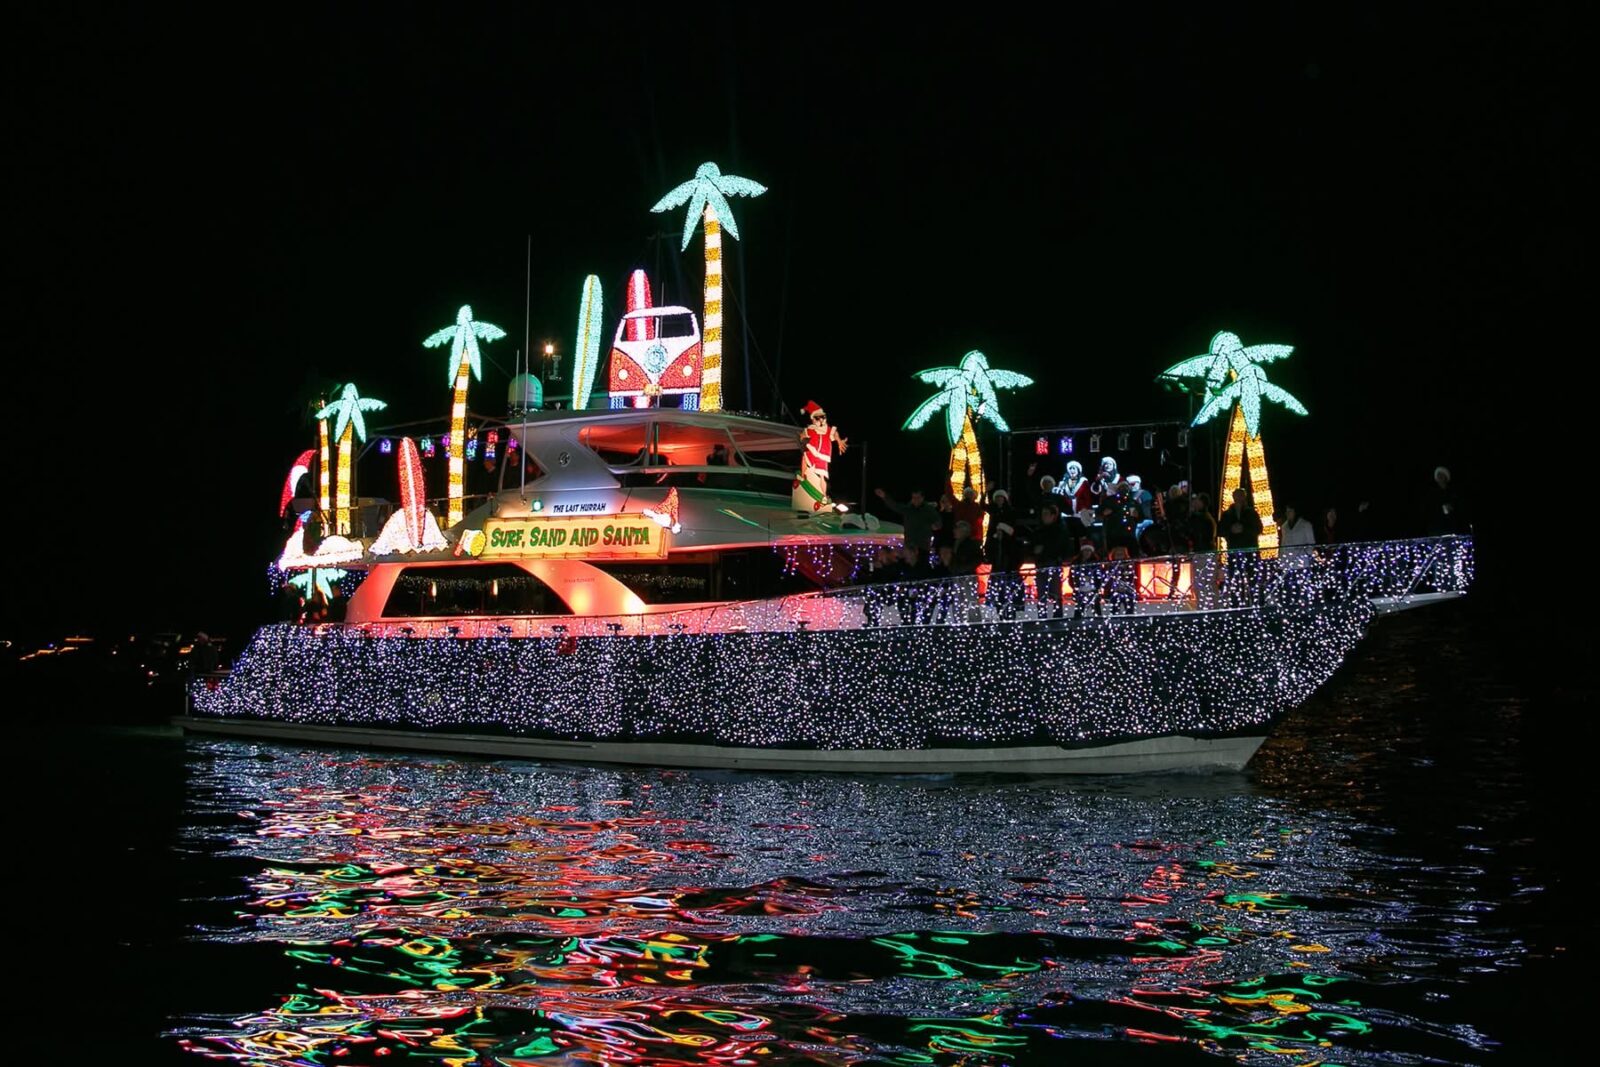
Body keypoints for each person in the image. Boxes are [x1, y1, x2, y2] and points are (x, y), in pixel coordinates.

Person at [1031, 502, 1074, 615]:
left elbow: (1064, 546)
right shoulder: (1039, 530)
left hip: (1054, 562)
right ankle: (1042, 615)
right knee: (1042, 593)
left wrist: (1045, 549)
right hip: (1040, 564)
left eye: (1046, 514)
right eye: (1042, 514)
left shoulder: (1060, 530)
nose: (1043, 516)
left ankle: (1057, 614)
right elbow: (1032, 546)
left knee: (1055, 592)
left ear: (1053, 516)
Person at [875, 487, 942, 555]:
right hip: (910, 543)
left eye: (917, 498)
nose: (915, 500)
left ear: (922, 498)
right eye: (914, 498)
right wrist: (884, 496)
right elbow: (895, 506)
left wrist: (936, 525)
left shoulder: (928, 510)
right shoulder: (908, 509)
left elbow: (938, 521)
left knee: (922, 561)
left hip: (923, 544)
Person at [1426, 466, 1465, 534]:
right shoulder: (1431, 493)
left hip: (1452, 526)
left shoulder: (1454, 492)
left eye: (1442, 475)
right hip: (1436, 527)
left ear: (1446, 477)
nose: (1440, 477)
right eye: (1438, 475)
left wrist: (1452, 507)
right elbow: (1427, 510)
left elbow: (1461, 508)